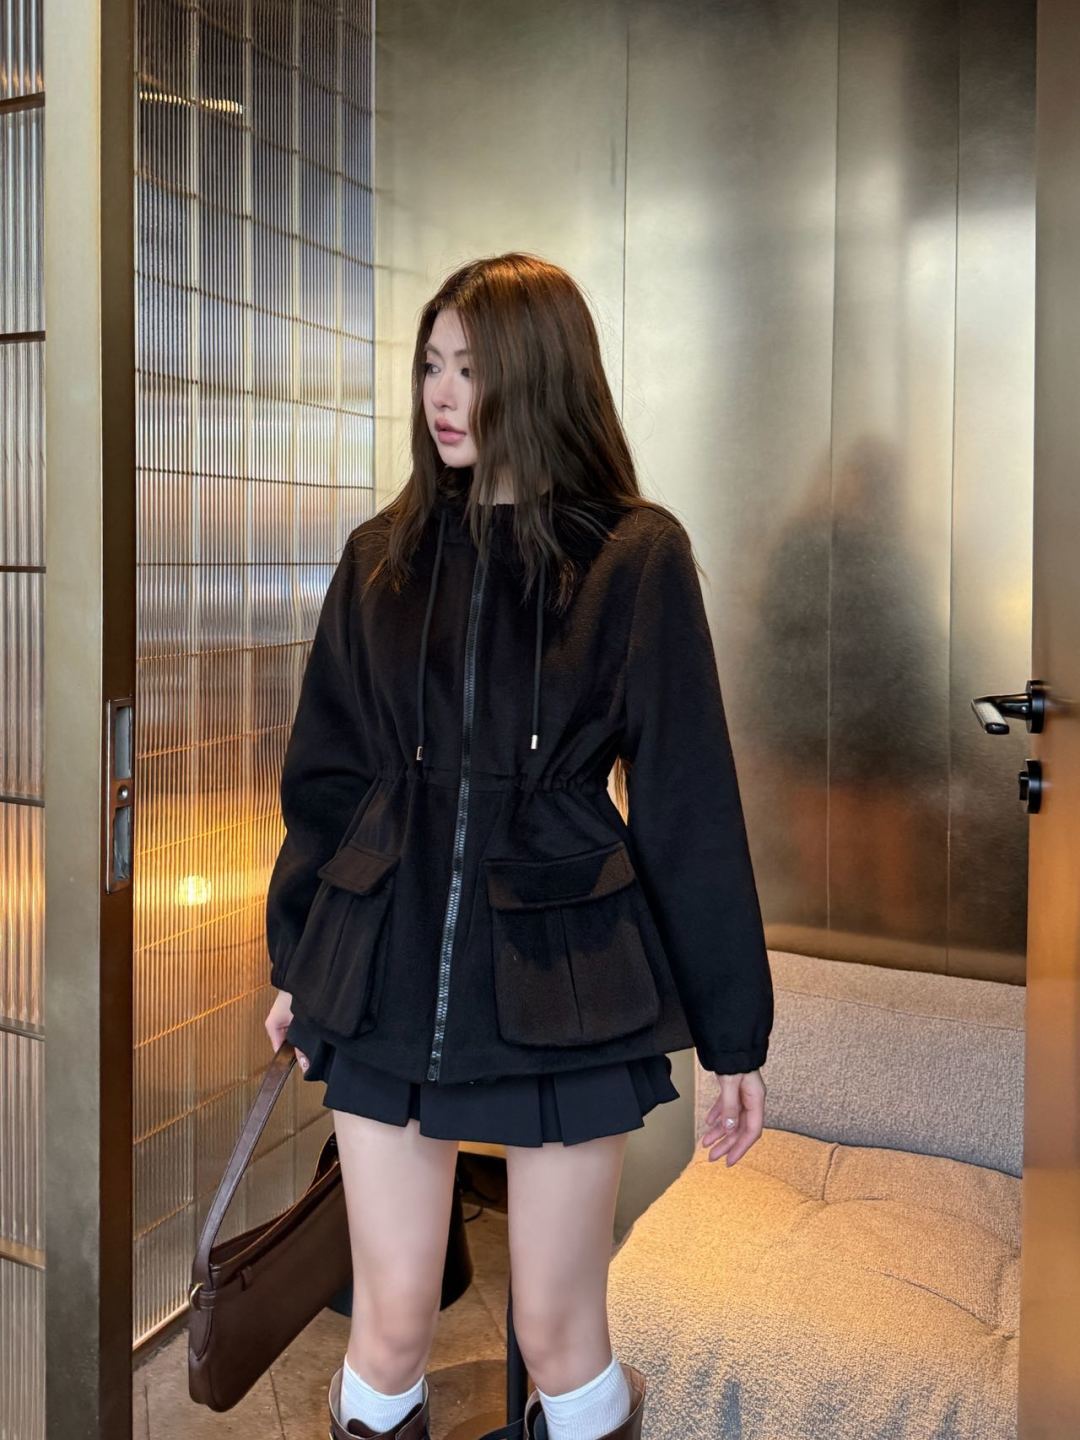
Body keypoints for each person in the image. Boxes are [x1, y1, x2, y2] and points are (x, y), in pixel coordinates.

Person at [263, 252, 773, 1440]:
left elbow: (688, 801)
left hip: (565, 975)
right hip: (384, 970)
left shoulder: (633, 556)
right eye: (432, 365)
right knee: (389, 1322)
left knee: (557, 1330)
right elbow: (327, 781)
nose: (444, 395)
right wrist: (301, 960)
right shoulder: (380, 556)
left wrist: (734, 1033)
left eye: (473, 368)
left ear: (541, 375)